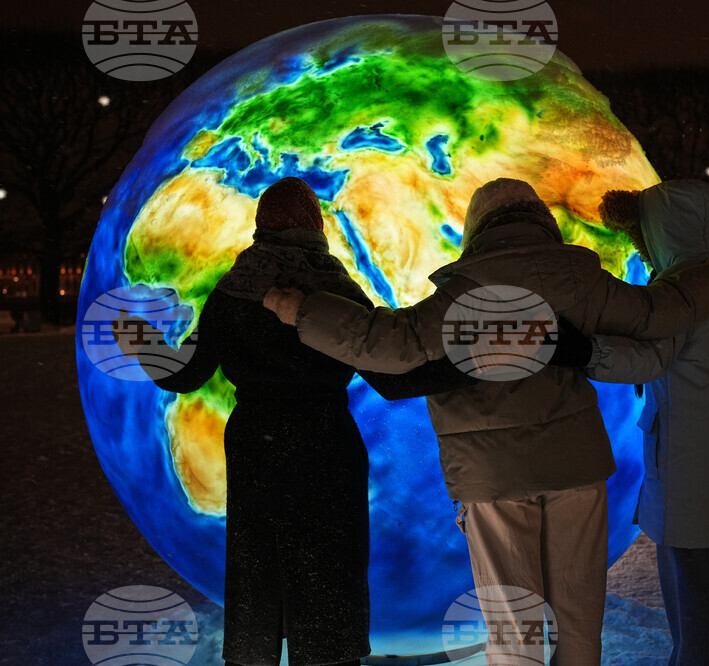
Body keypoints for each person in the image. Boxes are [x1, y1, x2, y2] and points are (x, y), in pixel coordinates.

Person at [264, 177, 709, 666]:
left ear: (477, 229)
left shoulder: (463, 290)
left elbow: (388, 343)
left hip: (493, 477)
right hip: (575, 466)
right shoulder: (576, 276)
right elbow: (656, 312)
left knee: (516, 629)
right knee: (577, 620)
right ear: (541, 220)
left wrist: (301, 309)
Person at [114, 177, 476, 666]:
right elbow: (391, 378)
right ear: (314, 225)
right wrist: (472, 365)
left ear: (261, 226)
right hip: (325, 445)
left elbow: (186, 374)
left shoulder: (233, 291)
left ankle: (254, 654)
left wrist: (144, 346)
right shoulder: (333, 290)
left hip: (256, 446)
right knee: (331, 573)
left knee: (258, 567)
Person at [591, 180, 709, 666]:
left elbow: (647, 359)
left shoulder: (680, 289)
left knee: (693, 593)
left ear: (661, 230)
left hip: (688, 463)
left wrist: (578, 352)